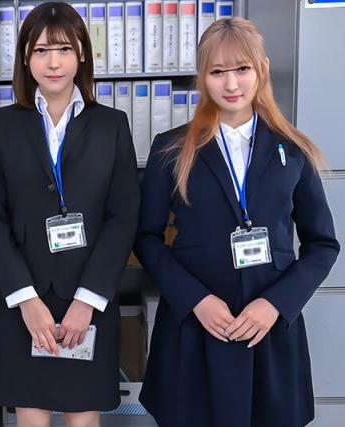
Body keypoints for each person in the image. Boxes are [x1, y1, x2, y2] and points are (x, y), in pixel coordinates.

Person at [135, 17, 340, 427]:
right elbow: (146, 238)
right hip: (196, 329)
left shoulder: (292, 149)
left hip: (266, 331)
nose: (231, 84)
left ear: (261, 69)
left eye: (242, 69)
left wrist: (275, 305)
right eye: (217, 72)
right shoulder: (171, 148)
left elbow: (323, 245)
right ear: (202, 76)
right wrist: (197, 300)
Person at [0, 3, 140, 426]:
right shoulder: (2, 125)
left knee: (82, 417)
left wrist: (88, 300)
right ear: (25, 57)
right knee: (30, 416)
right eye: (41, 50)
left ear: (82, 53)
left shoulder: (112, 125)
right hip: (22, 301)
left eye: (64, 49)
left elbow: (123, 217)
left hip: (88, 300)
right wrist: (25, 298)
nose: (53, 62)